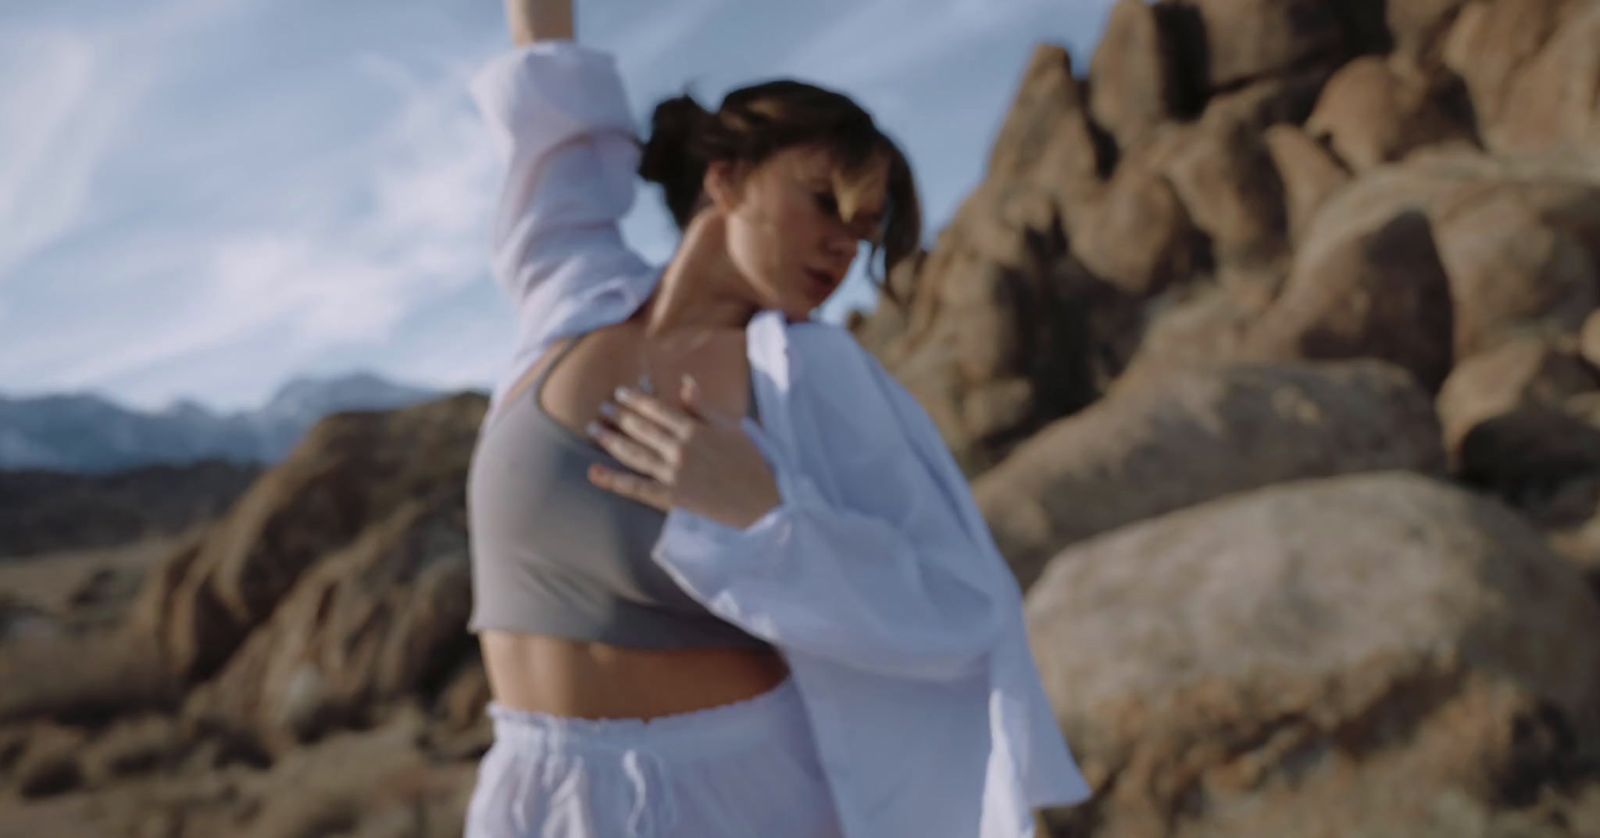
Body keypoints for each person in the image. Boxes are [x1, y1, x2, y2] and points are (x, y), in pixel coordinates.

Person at [461, 1, 1092, 836]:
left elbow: (957, 606)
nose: (844, 249)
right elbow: (550, 97)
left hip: (725, 797)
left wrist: (767, 518)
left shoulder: (814, 379)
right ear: (725, 177)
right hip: (532, 791)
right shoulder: (572, 292)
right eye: (826, 202)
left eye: (867, 233)